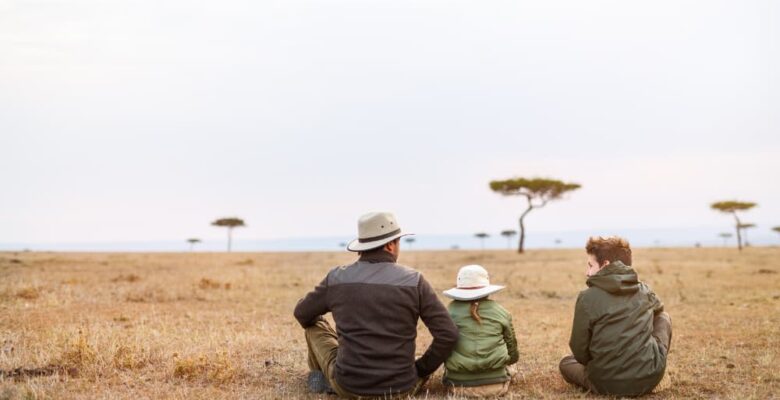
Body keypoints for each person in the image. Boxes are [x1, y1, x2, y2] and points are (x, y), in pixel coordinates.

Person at [293, 211, 459, 398]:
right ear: (390, 245)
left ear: (363, 245)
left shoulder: (337, 277)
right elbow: (448, 335)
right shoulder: (414, 281)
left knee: (315, 325)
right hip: (402, 389)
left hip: (348, 387)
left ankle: (318, 383)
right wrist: (419, 370)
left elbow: (302, 314)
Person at [560, 236, 672, 396]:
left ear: (605, 265)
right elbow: (659, 312)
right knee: (663, 317)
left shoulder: (587, 297)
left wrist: (599, 364)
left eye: (590, 266)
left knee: (566, 363)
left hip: (605, 383)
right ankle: (649, 366)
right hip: (649, 379)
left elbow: (579, 349)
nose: (587, 272)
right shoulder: (644, 290)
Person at [442, 264, 518, 398]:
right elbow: (512, 352)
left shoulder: (449, 311)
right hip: (496, 385)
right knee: (513, 368)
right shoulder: (501, 311)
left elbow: (441, 346)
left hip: (458, 386)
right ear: (487, 289)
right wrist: (510, 362)